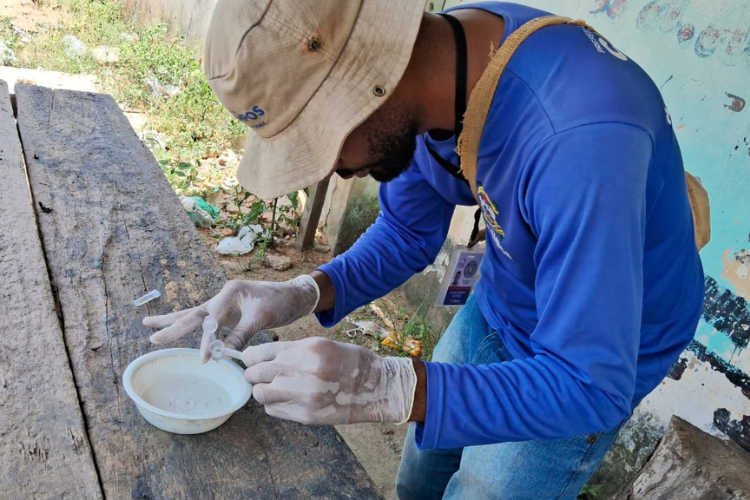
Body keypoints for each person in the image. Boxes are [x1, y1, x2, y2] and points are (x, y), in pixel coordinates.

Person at [143, 0, 705, 498]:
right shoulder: (441, 76)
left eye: (320, 142)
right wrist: (303, 291)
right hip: (506, 301)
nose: (331, 170)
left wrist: (390, 384)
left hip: (597, 353)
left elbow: (587, 382)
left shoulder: (582, 140)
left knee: (488, 488)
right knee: (422, 472)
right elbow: (409, 232)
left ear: (369, 82)